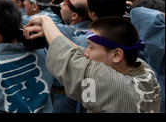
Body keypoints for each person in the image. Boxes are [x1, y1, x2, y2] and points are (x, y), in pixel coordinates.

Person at [24, 15, 161, 112]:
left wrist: (45, 20)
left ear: (117, 55)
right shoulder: (142, 68)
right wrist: (49, 34)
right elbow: (79, 52)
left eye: (91, 47)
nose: (86, 53)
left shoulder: (117, 86)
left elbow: (70, 60)